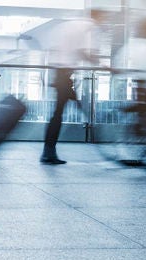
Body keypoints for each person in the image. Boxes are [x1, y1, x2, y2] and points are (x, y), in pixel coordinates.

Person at [39, 11, 105, 165]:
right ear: (98, 17)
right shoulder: (86, 27)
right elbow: (82, 53)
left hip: (61, 73)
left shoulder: (72, 25)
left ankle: (49, 151)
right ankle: (48, 152)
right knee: (60, 114)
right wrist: (102, 65)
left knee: (60, 113)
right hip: (63, 74)